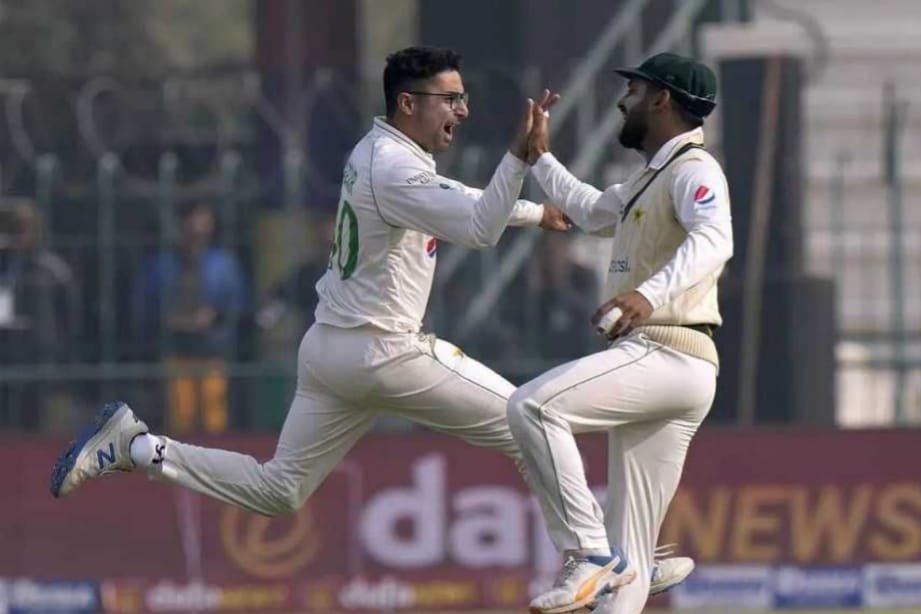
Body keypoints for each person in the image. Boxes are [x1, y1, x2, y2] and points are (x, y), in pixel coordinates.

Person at [48, 47, 694, 597]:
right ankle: (602, 556)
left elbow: (453, 203)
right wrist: (520, 161)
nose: (461, 112)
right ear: (408, 103)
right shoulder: (393, 164)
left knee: (280, 490)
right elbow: (472, 224)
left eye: (464, 98)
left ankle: (135, 446)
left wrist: (530, 213)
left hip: (332, 352)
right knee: (530, 415)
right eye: (449, 99)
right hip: (388, 353)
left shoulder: (383, 154)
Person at [507, 52, 732, 613]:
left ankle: (589, 553)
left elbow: (714, 240)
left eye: (633, 90)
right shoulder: (651, 177)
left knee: (533, 408)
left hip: (669, 350)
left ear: (662, 99)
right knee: (629, 564)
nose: (622, 101)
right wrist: (540, 159)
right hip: (672, 367)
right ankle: (619, 561)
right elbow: (590, 209)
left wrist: (648, 293)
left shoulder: (695, 170)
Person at [132, 200, 248, 433]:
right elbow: (144, 303)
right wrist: (168, 319)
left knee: (214, 417)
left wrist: (214, 316)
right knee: (180, 416)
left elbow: (238, 304)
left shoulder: (223, 263)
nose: (197, 230)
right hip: (175, 348)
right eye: (191, 223)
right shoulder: (162, 264)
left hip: (213, 348)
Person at [0, 199, 80, 430]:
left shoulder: (53, 270)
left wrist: (59, 348)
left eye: (23, 229)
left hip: (40, 357)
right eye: (12, 229)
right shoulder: (4, 268)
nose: (17, 236)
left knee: (36, 424)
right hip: (6, 354)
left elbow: (69, 314)